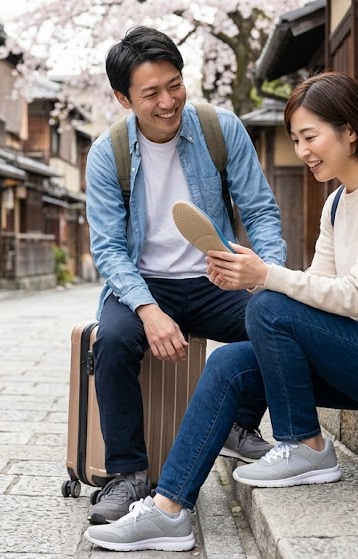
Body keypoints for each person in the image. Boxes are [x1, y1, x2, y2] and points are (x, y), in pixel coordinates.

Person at [84, 71, 358, 552]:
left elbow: (356, 297)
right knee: (227, 362)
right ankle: (168, 510)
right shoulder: (335, 205)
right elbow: (318, 290)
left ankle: (305, 444)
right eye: (296, 139)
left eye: (311, 137)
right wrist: (249, 276)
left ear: (350, 130)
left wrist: (262, 275)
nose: (303, 151)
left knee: (267, 305)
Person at [83, 26, 287, 525]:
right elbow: (108, 248)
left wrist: (267, 275)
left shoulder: (220, 129)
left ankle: (238, 428)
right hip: (143, 283)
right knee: (110, 339)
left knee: (279, 320)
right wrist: (148, 310)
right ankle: (127, 473)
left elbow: (259, 211)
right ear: (123, 98)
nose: (168, 101)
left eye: (175, 84)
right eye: (150, 93)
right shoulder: (106, 153)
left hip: (216, 276)